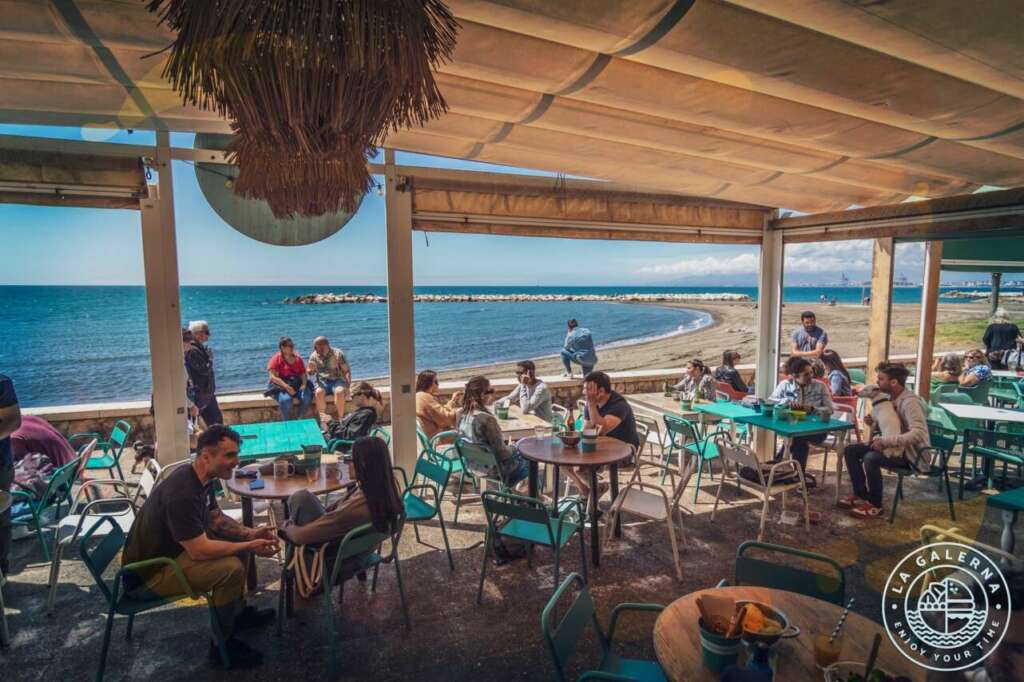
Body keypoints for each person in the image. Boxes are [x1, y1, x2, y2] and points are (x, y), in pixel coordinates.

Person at [122, 425, 279, 669]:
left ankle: (237, 615)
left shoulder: (201, 479)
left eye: (236, 454)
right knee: (230, 569)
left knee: (239, 545)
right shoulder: (183, 493)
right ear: (206, 456)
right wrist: (249, 544)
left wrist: (250, 534)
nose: (236, 462)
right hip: (148, 576)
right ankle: (221, 646)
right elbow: (199, 550)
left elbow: (216, 519)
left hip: (173, 555)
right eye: (229, 455)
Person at [840, 363, 928, 519]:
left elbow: (919, 434)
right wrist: (872, 422)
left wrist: (885, 441)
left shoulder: (910, 402)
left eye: (881, 379)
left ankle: (875, 504)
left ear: (893, 382)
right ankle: (860, 494)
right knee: (851, 450)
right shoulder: (887, 398)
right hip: (893, 448)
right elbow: (892, 426)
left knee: (871, 458)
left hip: (911, 455)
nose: (878, 382)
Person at [280, 436, 402, 546]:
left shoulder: (353, 510)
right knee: (302, 497)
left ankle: (293, 567)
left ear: (363, 464)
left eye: (350, 459)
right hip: (358, 548)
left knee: (300, 498)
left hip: (332, 555)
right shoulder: (388, 487)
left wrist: (287, 526)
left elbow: (300, 537)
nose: (347, 464)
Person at [566, 371, 640, 500]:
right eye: (584, 388)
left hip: (624, 453)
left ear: (601, 391)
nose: (584, 393)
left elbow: (603, 428)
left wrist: (591, 404)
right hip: (601, 447)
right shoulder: (591, 403)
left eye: (588, 389)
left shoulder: (618, 405)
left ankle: (593, 496)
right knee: (565, 461)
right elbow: (587, 428)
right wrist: (572, 441)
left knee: (581, 466)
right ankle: (588, 491)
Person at [456, 376, 529, 488]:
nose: (492, 394)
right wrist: (513, 447)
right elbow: (502, 454)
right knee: (528, 454)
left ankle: (521, 493)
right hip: (496, 470)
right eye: (490, 391)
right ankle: (533, 497)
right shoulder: (486, 419)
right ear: (482, 395)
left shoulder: (460, 414)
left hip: (474, 465)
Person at [768, 356, 832, 483]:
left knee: (798, 438)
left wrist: (813, 409)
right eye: (806, 374)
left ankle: (780, 463)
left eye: (811, 372)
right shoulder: (785, 385)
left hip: (817, 430)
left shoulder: (820, 386)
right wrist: (786, 402)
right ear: (794, 376)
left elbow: (830, 409)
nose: (811, 376)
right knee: (797, 438)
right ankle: (797, 475)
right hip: (792, 427)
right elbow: (771, 401)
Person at [0, 373, 21, 577]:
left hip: (0, 465)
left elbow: (13, 420)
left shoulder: (1, 382)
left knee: (1, 522)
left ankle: (2, 572)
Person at [323, 382, 383, 451]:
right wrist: (331, 422)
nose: (351, 399)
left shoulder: (366, 414)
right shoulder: (362, 411)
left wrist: (331, 423)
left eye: (352, 396)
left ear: (362, 396)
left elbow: (350, 435)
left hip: (343, 443)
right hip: (337, 438)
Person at [266, 336, 313, 420]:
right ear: (282, 347)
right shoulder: (276, 359)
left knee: (306, 397)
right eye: (290, 346)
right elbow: (273, 377)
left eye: (293, 345)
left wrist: (304, 384)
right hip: (280, 386)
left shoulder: (297, 358)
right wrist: (287, 387)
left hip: (296, 384)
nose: (292, 348)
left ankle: (300, 419)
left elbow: (303, 373)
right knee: (286, 400)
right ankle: (287, 422)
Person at [186, 321, 222, 426]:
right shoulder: (192, 350)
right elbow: (203, 370)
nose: (208, 335)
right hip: (200, 395)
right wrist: (210, 359)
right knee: (196, 424)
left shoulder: (199, 348)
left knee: (216, 422)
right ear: (197, 333)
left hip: (206, 393)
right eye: (206, 332)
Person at [307, 336, 352, 420]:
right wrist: (310, 370)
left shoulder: (337, 353)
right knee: (319, 393)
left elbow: (346, 371)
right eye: (315, 347)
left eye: (318, 347)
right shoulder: (314, 356)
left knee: (339, 392)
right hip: (322, 381)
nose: (316, 349)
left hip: (337, 379)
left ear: (326, 345)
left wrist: (348, 386)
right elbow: (310, 373)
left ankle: (340, 419)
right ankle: (323, 420)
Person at [10, 414, 76, 468]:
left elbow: (21, 468)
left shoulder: (14, 438)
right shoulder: (27, 418)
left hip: (61, 473)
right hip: (72, 461)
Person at [415, 370, 462, 439]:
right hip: (438, 437)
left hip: (432, 435)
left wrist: (453, 401)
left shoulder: (419, 395)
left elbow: (440, 412)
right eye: (436, 382)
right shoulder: (425, 397)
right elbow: (446, 418)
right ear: (429, 384)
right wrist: (460, 411)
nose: (438, 384)